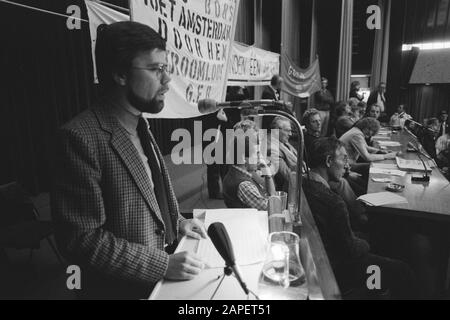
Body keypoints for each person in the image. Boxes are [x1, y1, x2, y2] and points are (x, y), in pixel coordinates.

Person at [50, 22, 208, 299]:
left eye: (166, 68)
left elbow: (152, 193)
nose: (167, 80)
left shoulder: (140, 124)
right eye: (156, 69)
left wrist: (178, 222)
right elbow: (81, 239)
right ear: (120, 74)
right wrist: (162, 265)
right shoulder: (79, 138)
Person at [303, 137, 416, 299]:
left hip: (319, 258)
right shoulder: (334, 202)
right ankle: (375, 289)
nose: (347, 165)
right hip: (338, 269)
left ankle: (377, 287)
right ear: (328, 161)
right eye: (343, 159)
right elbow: (350, 250)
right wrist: (368, 242)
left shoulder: (302, 181)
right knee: (403, 271)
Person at [222, 120, 276, 210]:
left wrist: (267, 175)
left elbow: (268, 192)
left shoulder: (243, 170)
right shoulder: (243, 182)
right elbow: (273, 205)